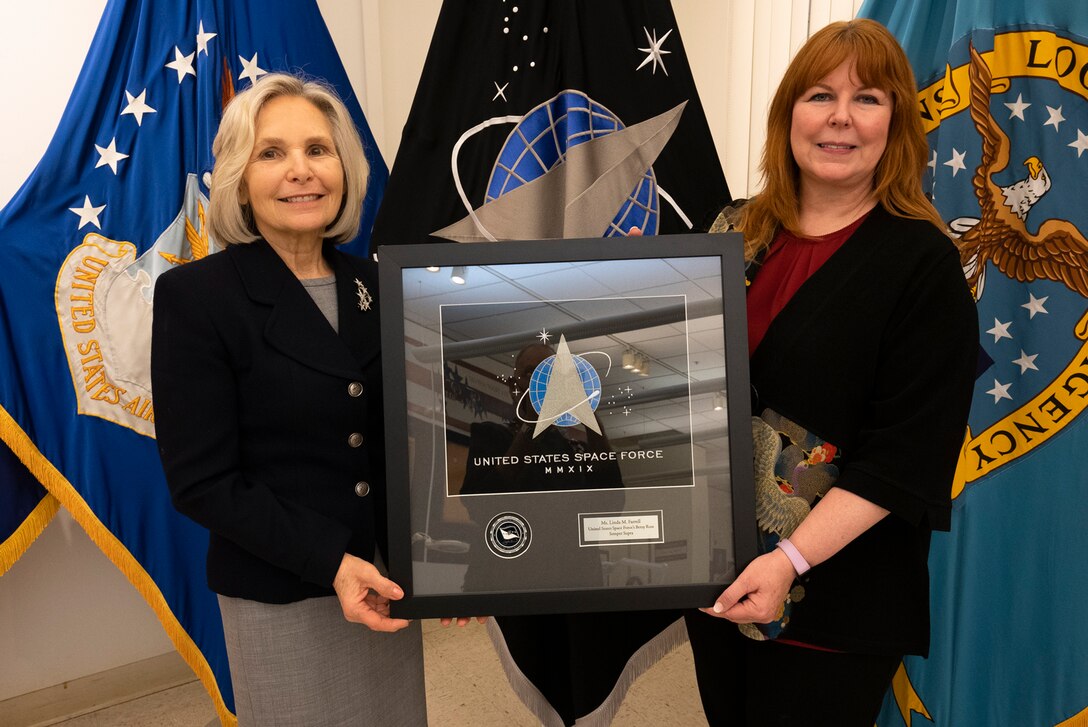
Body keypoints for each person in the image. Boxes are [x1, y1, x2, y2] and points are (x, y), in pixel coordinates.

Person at [680, 19, 979, 726]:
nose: (841, 116)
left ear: (896, 124)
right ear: (789, 116)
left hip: (835, 596)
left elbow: (903, 460)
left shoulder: (923, 265)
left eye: (868, 98)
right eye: (820, 94)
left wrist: (786, 559)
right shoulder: (731, 230)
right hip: (715, 573)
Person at [151, 73, 427, 726]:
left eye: (318, 149)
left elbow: (417, 435)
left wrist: (453, 555)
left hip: (389, 581)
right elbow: (202, 481)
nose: (300, 171)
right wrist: (331, 559)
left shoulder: (384, 283)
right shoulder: (197, 298)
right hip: (284, 589)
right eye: (272, 153)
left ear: (345, 168)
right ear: (239, 177)